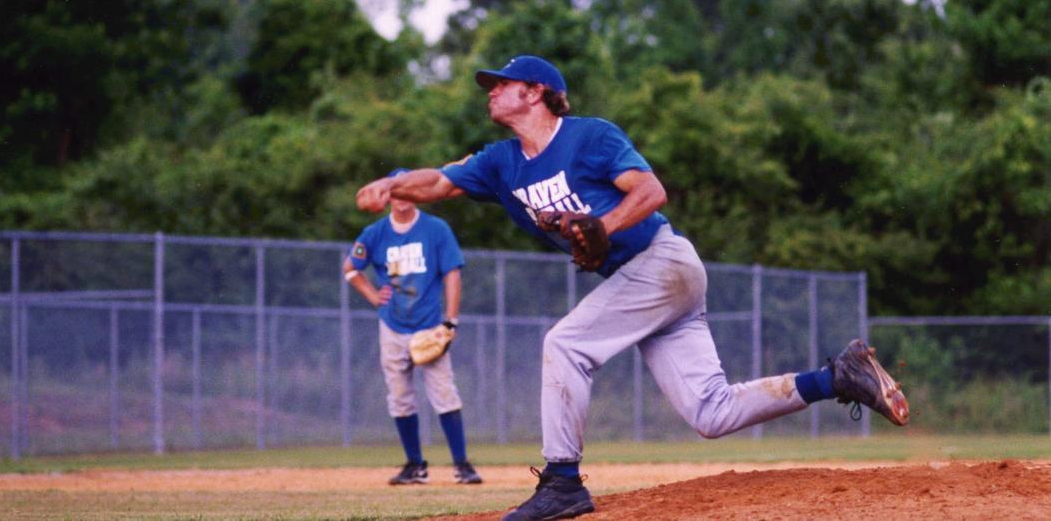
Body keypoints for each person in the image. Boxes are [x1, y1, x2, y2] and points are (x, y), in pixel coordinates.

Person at [355, 56, 909, 519]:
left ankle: (563, 481)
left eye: (501, 84)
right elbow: (442, 179)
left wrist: (604, 225)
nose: (491, 92)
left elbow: (650, 189)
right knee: (710, 414)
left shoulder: (588, 136)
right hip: (645, 284)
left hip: (662, 261)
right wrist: (392, 183)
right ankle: (838, 376)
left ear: (537, 92)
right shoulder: (501, 163)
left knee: (566, 344)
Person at [344, 169, 482, 486]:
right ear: (390, 194)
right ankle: (414, 466)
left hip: (429, 325)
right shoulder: (376, 233)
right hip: (392, 326)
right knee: (400, 397)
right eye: (398, 190)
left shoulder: (435, 229)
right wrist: (372, 295)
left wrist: (451, 320)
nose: (403, 196)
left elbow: (452, 275)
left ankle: (462, 465)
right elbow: (351, 267)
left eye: (409, 189)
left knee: (445, 393)